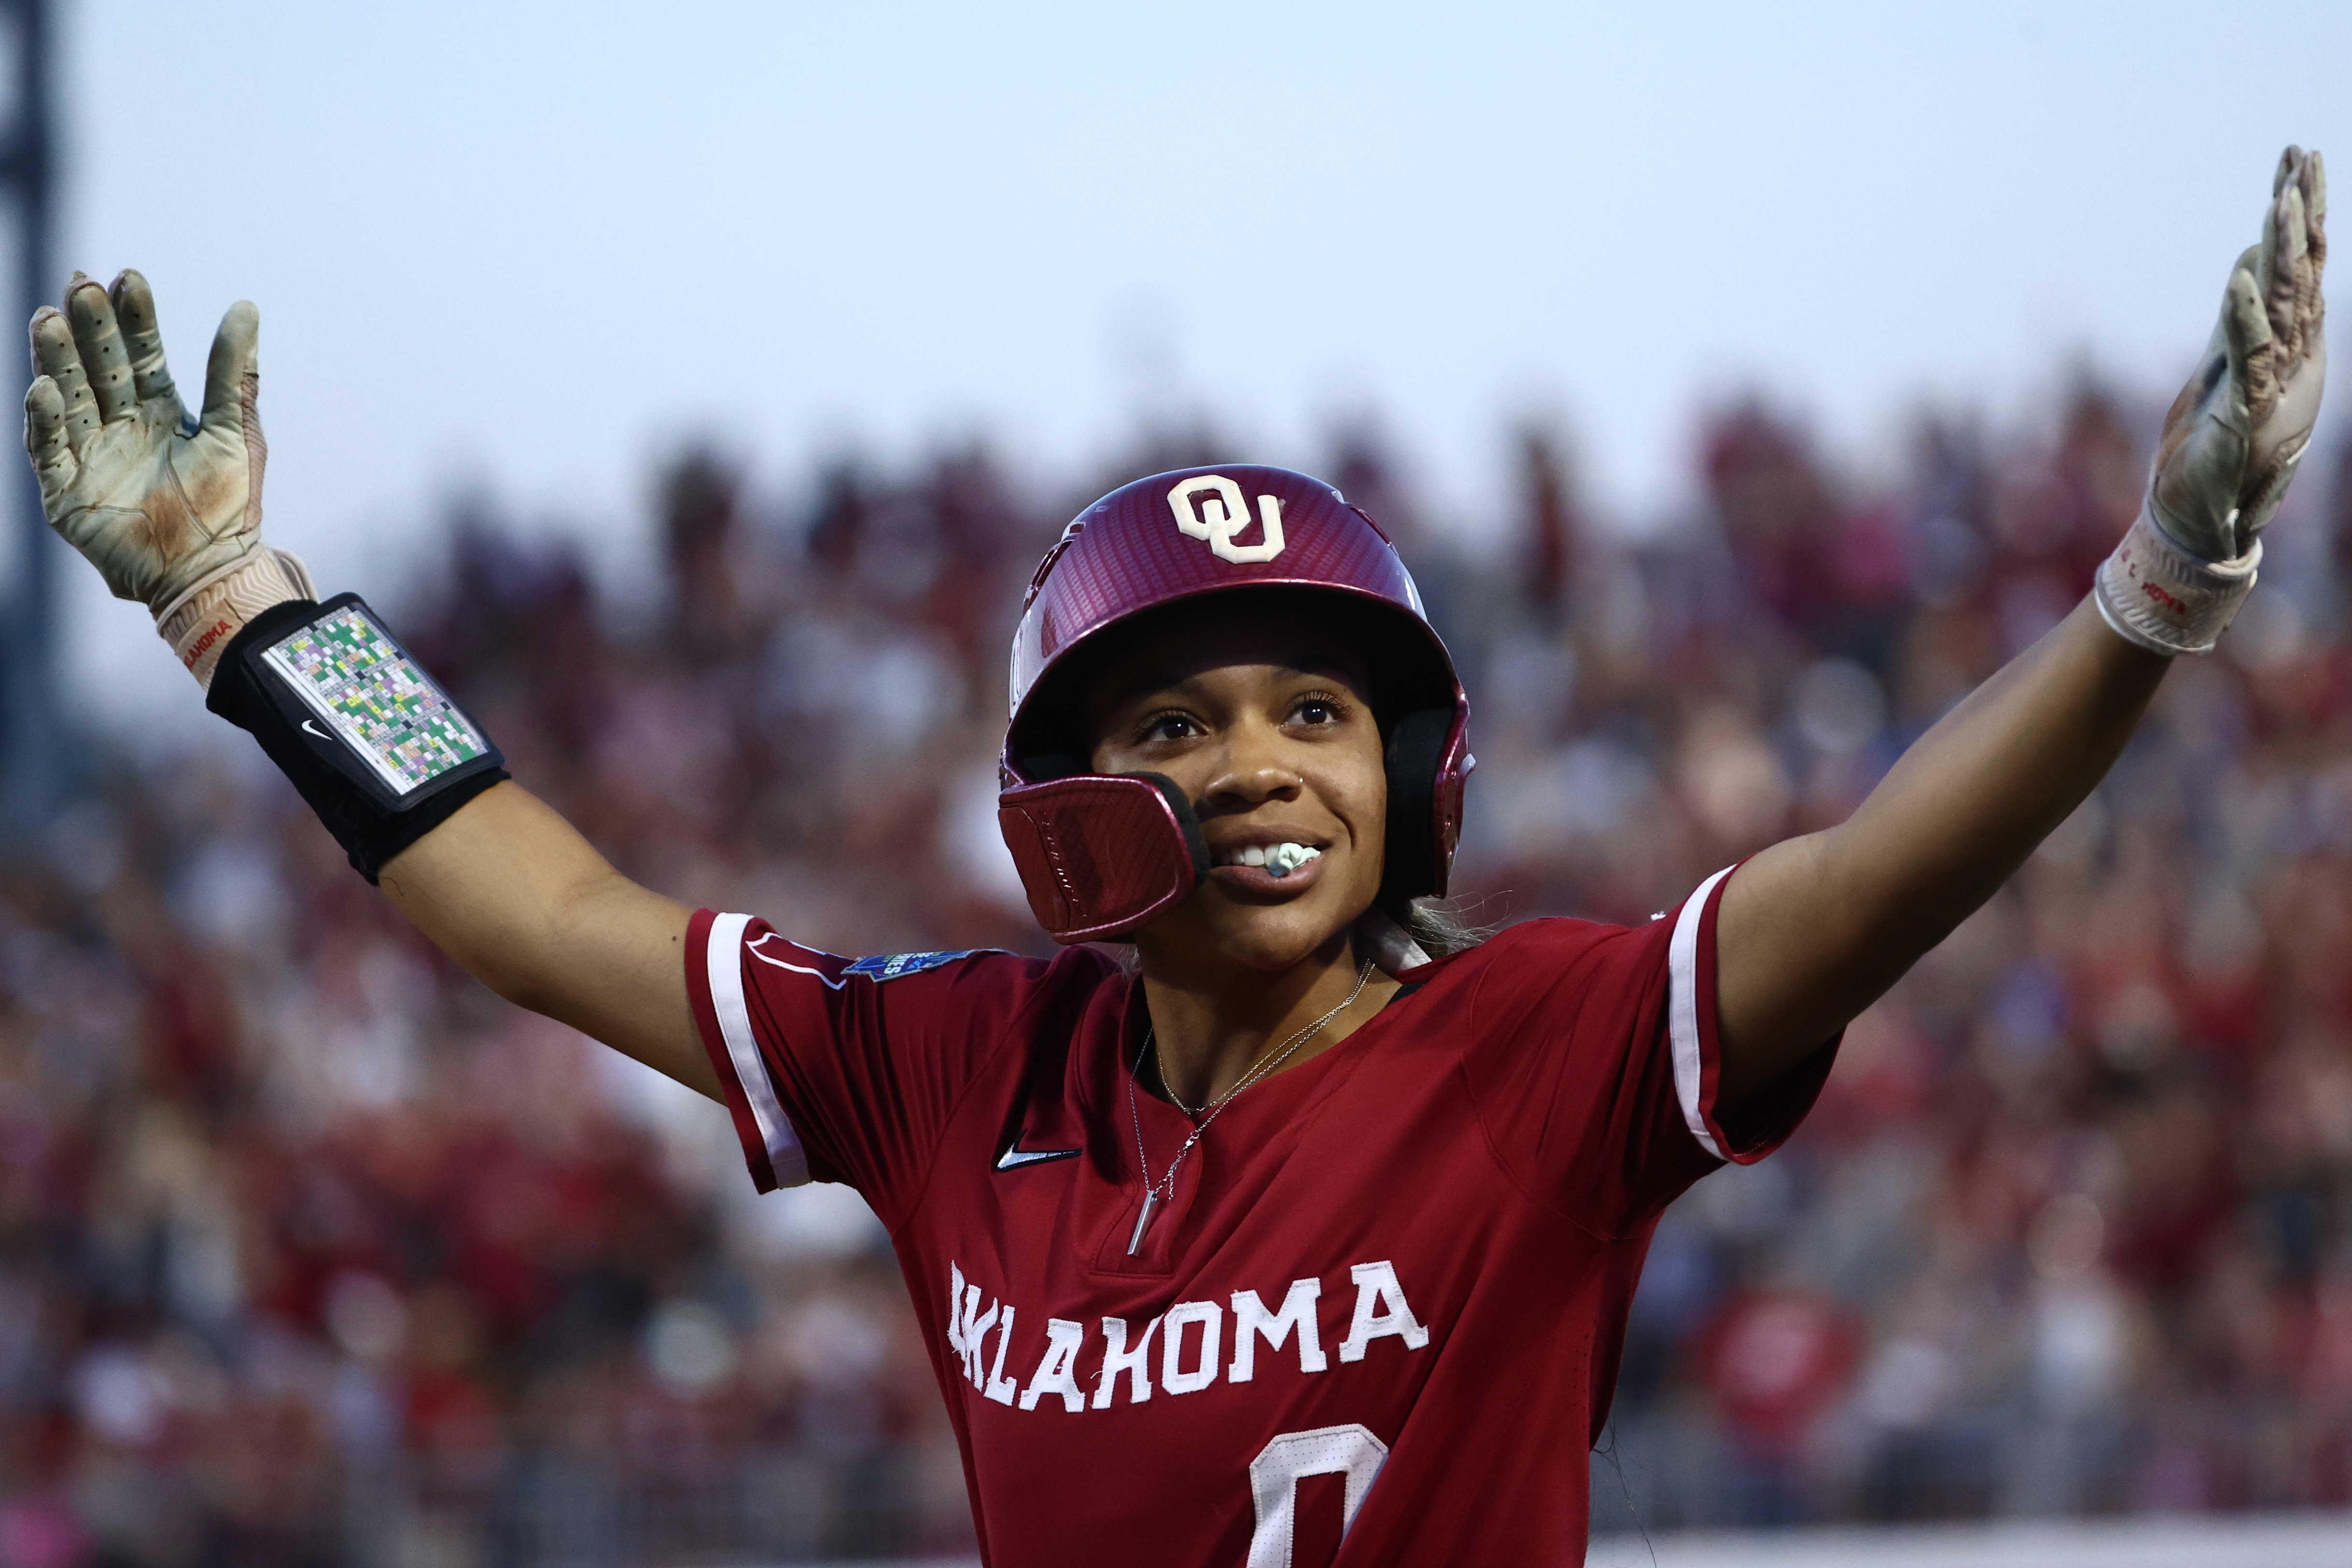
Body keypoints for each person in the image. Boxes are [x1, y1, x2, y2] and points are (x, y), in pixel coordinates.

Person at [23, 149, 2325, 1566]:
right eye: (1183, 717)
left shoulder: (1533, 1050)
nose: (1262, 763)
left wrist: (2154, 581)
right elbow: (548, 908)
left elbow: (1874, 872)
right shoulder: (956, 1067)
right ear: (1069, 799)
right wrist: (250, 615)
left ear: (1417, 773)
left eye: (1320, 711)